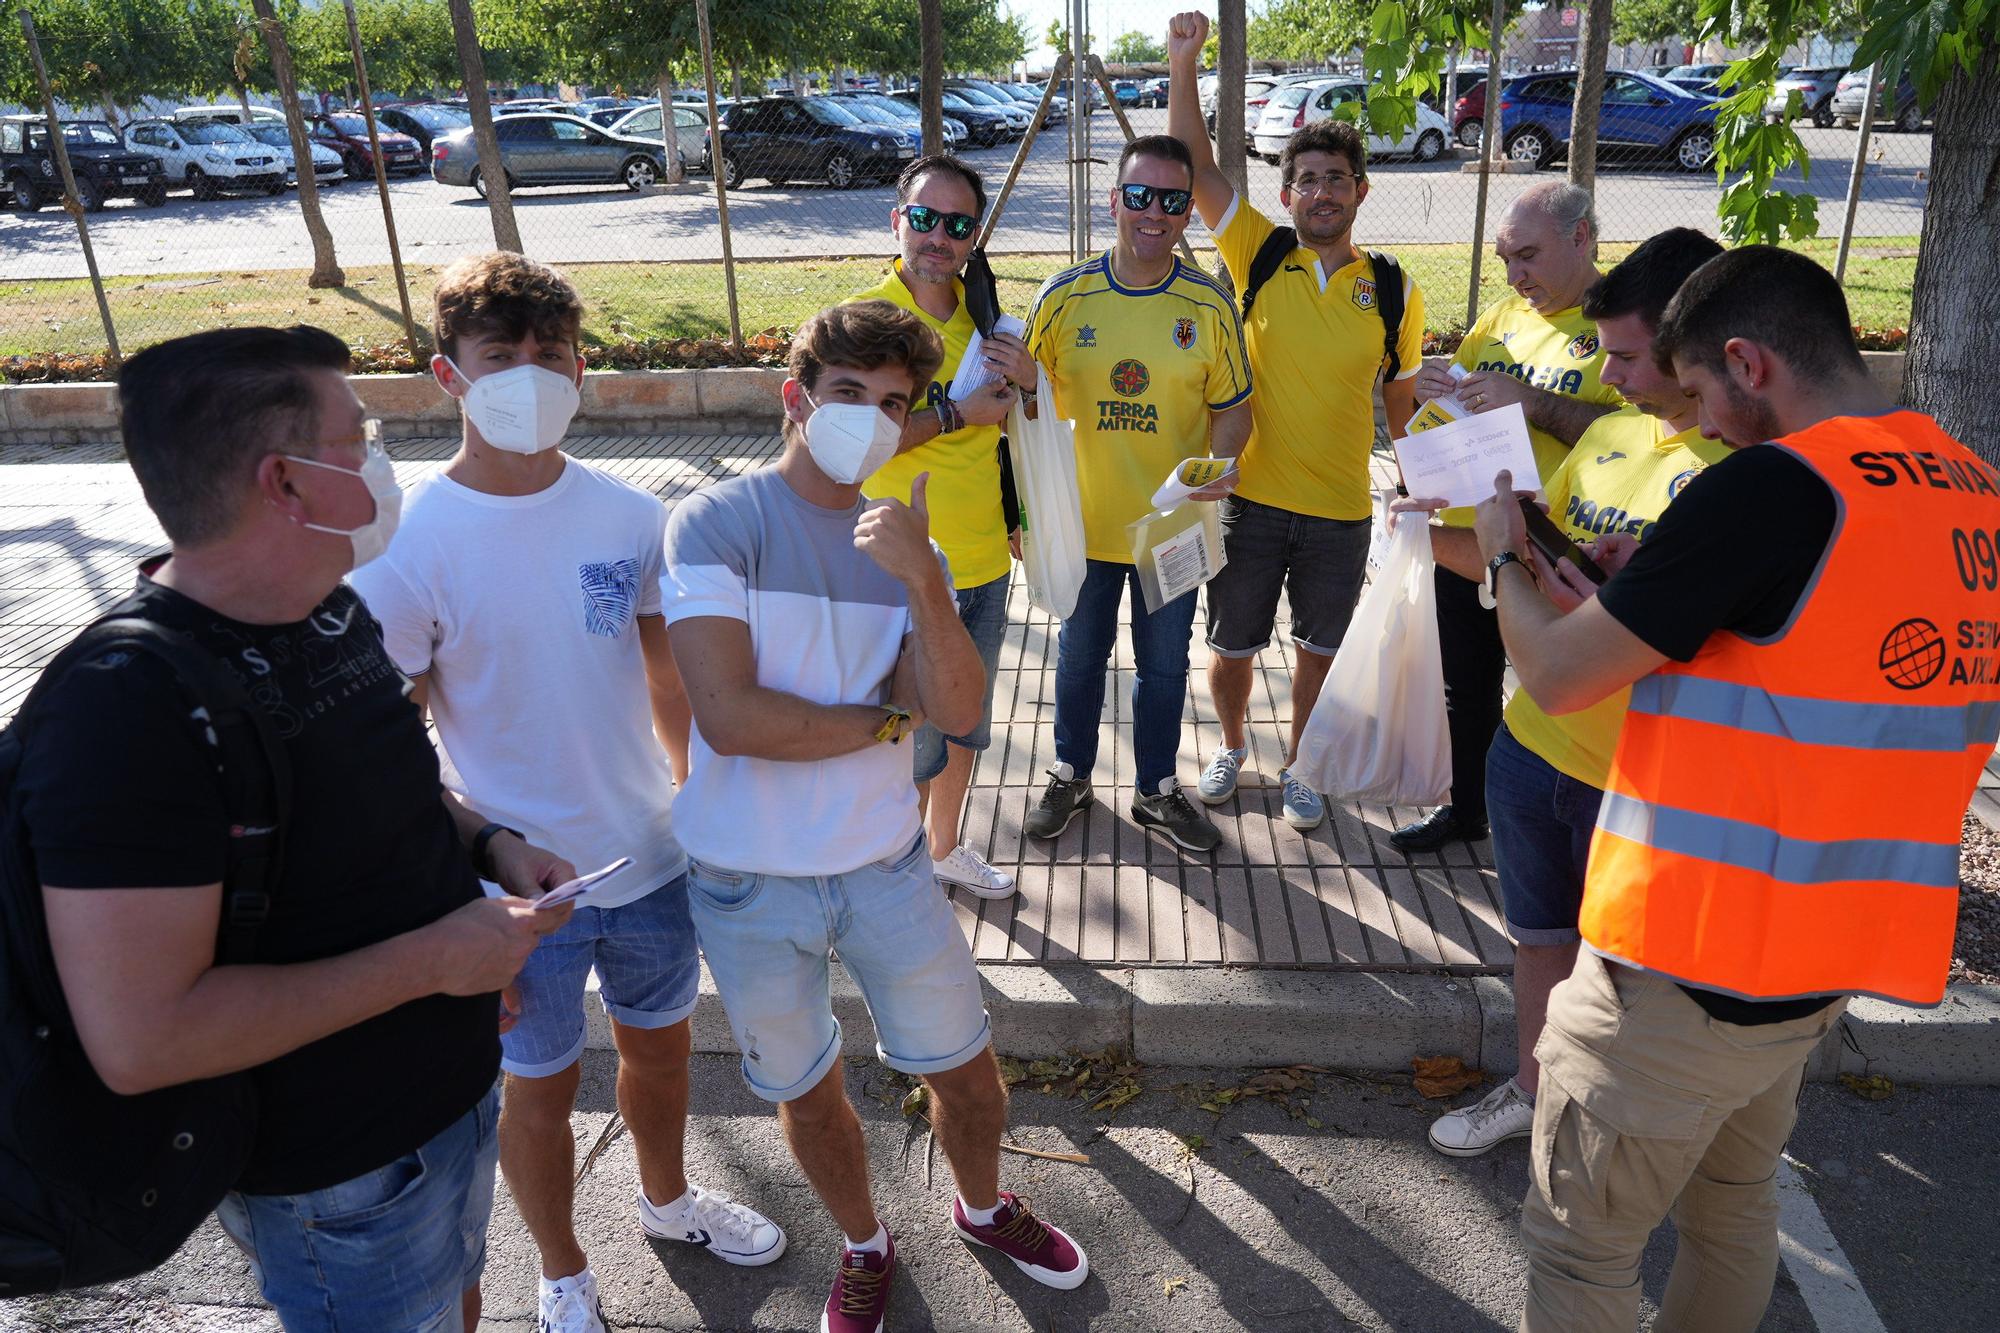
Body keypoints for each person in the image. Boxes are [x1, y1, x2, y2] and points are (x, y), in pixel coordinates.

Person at [1474, 246, 2000, 1330]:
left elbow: (1561, 675)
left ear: (1746, 363)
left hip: (1681, 961)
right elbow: (1827, 650)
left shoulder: (1769, 487)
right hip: (1815, 964)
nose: (1698, 425)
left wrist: (1496, 560)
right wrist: (1665, 579)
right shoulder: (1967, 486)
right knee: (1732, 1205)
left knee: (1579, 1258)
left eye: (1701, 394)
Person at [18, 326, 573, 1331]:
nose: (379, 455)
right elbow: (144, 1038)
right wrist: (436, 962)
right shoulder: (128, 712)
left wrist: (485, 844)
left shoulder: (325, 608)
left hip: (447, 1096)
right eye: (356, 436)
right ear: (287, 482)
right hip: (341, 1172)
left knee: (454, 1305)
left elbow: (378, 796)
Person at [349, 253, 784, 1333]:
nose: (531, 376)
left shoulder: (631, 518)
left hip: (648, 858)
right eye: (502, 357)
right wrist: (448, 889)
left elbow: (667, 679)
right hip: (515, 899)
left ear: (581, 368)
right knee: (536, 1093)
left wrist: (705, 807)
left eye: (551, 355)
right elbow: (382, 748)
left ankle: (668, 1199)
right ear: (448, 376)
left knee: (664, 1051)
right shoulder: (405, 552)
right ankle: (560, 1268)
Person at [663, 301, 1089, 1333]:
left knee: (971, 1078)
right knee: (807, 1094)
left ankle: (983, 1207)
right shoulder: (714, 523)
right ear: (794, 398)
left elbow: (958, 709)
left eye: (893, 402)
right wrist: (883, 717)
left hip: (883, 864)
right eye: (847, 393)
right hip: (744, 878)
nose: (869, 416)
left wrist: (923, 589)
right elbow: (732, 719)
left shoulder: (906, 543)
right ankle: (863, 1242)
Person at [1408, 228, 1729, 1158]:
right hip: (1534, 745)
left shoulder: (1746, 477)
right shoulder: (1615, 433)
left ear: (1691, 347)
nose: (1609, 374)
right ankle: (1532, 1090)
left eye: (1625, 356)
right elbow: (1523, 557)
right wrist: (1423, 533)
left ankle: (1621, 1122)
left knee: (1630, 970)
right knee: (1541, 942)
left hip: (1646, 775)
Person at [1164, 10, 1427, 831]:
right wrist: (1183, 62)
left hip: (1343, 509)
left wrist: (1420, 485)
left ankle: (1302, 762)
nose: (1320, 192)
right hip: (1249, 498)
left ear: (1359, 190)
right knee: (1232, 647)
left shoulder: (1393, 288)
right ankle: (1232, 746)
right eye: (1306, 180)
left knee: (1321, 651)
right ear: (1287, 194)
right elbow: (1196, 166)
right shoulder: (1258, 250)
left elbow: (1401, 401)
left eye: (1336, 178)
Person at [1022, 133, 1254, 852]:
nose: (1155, 212)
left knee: (1163, 667)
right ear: (1114, 200)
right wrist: (1022, 514)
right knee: (1079, 657)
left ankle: (1156, 787)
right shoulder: (1063, 298)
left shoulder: (1209, 307)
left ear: (1188, 212)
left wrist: (1217, 465)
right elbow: (1020, 408)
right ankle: (1070, 773)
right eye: (1140, 195)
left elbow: (1236, 409)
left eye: (1173, 200)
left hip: (1171, 527)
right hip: (1081, 524)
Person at [1391, 182, 1620, 853]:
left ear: (1581, 237)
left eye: (1528, 255)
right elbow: (1449, 414)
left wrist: (1533, 403)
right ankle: (1467, 813)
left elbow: (1639, 429)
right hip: (1473, 538)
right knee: (1467, 685)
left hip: (1566, 555)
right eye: (1505, 260)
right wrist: (1432, 393)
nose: (1516, 275)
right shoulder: (1498, 320)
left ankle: (1571, 828)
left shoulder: (1622, 326)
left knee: (1567, 693)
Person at [855, 154, 1029, 899]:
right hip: (896, 563)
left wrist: (1027, 381)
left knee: (964, 722)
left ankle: (946, 847)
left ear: (975, 235)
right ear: (898, 221)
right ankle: (888, 870)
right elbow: (849, 441)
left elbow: (1018, 434)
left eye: (957, 224)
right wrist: (958, 412)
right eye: (924, 218)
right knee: (897, 733)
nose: (938, 236)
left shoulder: (988, 319)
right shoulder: (863, 324)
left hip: (985, 558)